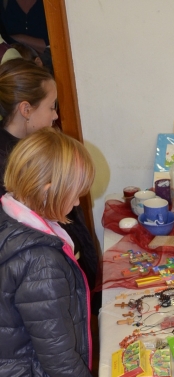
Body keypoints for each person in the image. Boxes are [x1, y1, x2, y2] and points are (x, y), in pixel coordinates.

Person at [0, 127, 97, 377]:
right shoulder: (41, 260)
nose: (77, 202)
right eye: (74, 194)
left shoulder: (11, 219)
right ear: (47, 189)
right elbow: (56, 348)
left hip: (32, 374)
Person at [0, 60, 98, 294]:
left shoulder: (41, 145)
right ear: (26, 109)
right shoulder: (14, 163)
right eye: (51, 107)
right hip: (51, 280)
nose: (55, 115)